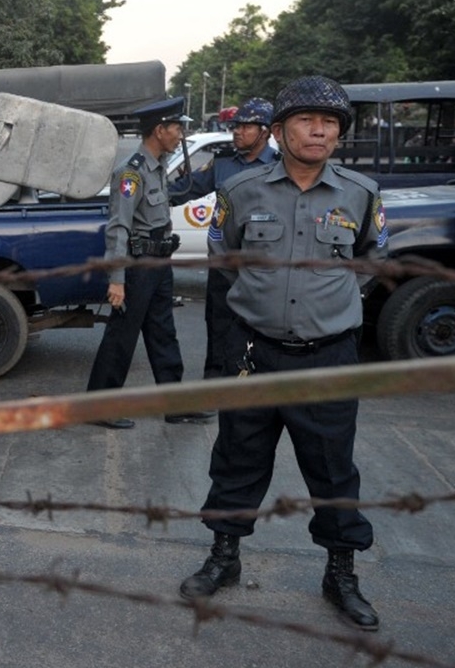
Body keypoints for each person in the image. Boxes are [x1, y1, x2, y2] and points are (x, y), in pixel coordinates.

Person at [179, 76, 389, 632]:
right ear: (278, 131)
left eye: (330, 124)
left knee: (333, 467)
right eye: (305, 121)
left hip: (328, 357)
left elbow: (370, 261)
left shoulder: (360, 194)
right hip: (255, 352)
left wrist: (329, 307)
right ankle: (224, 557)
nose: (319, 131)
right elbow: (226, 257)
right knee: (238, 458)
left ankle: (340, 573)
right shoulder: (242, 192)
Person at [84, 97, 211, 430]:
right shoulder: (132, 172)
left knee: (164, 334)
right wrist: (117, 279)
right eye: (177, 127)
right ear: (160, 130)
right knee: (122, 336)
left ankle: (175, 405)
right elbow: (118, 227)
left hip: (159, 263)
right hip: (138, 266)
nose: (181, 134)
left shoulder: (157, 168)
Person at [170, 97, 280, 379]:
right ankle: (214, 384)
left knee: (264, 329)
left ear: (265, 131)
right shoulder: (221, 165)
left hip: (265, 265)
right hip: (224, 263)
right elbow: (184, 190)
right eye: (236, 126)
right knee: (218, 325)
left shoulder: (282, 166)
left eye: (245, 126)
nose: (237, 131)